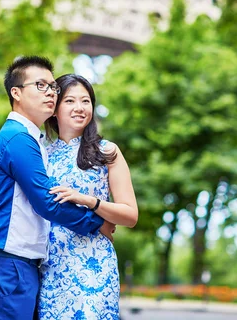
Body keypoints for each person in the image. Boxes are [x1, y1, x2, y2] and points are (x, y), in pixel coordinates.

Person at [0, 56, 115, 320]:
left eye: (53, 87)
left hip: (19, 265)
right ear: (16, 92)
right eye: (40, 85)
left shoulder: (28, 140)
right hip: (8, 264)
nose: (50, 92)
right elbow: (47, 203)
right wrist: (97, 222)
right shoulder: (18, 139)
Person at [38, 74, 138, 320]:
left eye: (86, 101)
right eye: (70, 101)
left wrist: (88, 201)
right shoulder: (40, 154)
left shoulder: (107, 152)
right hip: (52, 267)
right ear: (54, 109)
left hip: (94, 265)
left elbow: (130, 215)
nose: (79, 108)